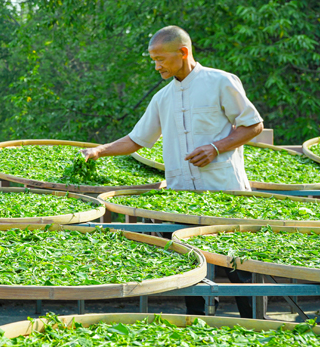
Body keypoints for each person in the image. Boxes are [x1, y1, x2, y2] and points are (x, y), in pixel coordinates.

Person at [80, 25, 264, 317]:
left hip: (224, 194)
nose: (157, 66)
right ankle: (197, 328)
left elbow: (253, 124)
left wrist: (216, 147)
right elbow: (136, 140)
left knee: (237, 269)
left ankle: (257, 325)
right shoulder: (162, 98)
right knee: (191, 269)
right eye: (153, 59)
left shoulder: (220, 82)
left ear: (183, 52)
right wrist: (99, 150)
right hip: (181, 199)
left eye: (161, 59)